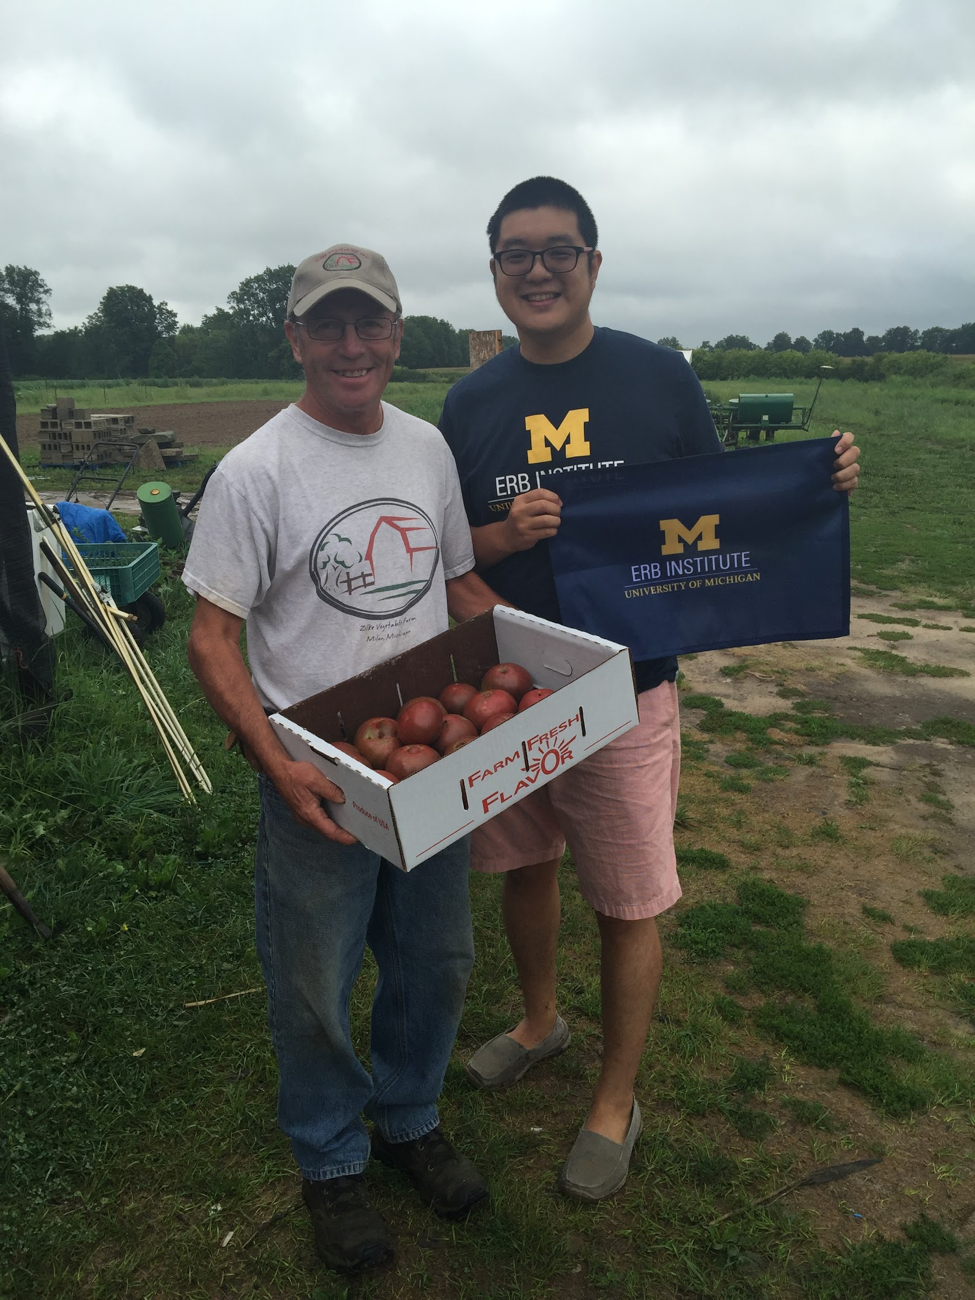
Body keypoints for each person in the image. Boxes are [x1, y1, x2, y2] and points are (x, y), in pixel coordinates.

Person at [439, 177, 861, 1202]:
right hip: (512, 690)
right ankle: (540, 1023)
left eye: (558, 249)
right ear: (494, 268)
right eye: (515, 254)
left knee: (627, 900)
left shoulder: (658, 379)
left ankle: (615, 1101)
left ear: (593, 259)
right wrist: (502, 550)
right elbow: (456, 552)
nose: (537, 269)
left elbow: (720, 513)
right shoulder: (469, 402)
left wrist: (816, 480)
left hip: (630, 687)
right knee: (524, 866)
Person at [183, 244, 503, 1273]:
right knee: (314, 978)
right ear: (297, 339)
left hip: (428, 761)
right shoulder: (257, 471)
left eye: (371, 324)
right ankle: (328, 1159)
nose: (352, 345)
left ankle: (409, 1117)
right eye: (330, 325)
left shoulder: (424, 450)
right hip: (319, 772)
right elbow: (210, 638)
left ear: (398, 336)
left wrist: (553, 667)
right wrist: (279, 763)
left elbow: (459, 591)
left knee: (437, 957)